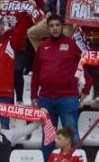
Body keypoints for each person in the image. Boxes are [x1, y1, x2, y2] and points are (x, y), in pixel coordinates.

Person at [28, 13, 83, 154]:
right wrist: (34, 95)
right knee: (48, 136)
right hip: (45, 98)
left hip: (68, 97)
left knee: (71, 134)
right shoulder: (42, 47)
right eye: (51, 26)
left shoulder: (72, 45)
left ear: (63, 27)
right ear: (47, 29)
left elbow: (84, 67)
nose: (55, 28)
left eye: (57, 25)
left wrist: (85, 90)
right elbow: (36, 73)